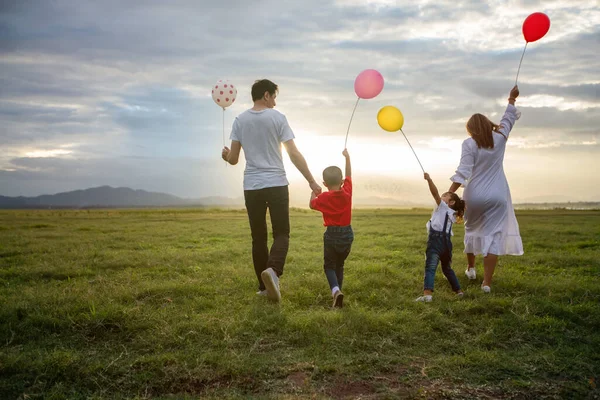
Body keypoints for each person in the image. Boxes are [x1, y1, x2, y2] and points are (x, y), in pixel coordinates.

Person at [221, 79, 322, 303]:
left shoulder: (240, 120)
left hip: (252, 186)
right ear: (266, 95)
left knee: (258, 238)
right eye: (274, 97)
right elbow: (294, 154)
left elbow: (234, 159)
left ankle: (264, 287)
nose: (275, 103)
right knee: (282, 233)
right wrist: (311, 181)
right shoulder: (278, 118)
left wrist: (225, 155)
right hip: (276, 183)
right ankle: (273, 272)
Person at [448, 85, 523, 293]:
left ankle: (471, 268)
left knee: (471, 230)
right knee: (494, 236)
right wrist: (511, 98)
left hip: (474, 195)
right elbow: (508, 119)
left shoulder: (469, 144)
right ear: (487, 124)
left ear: (471, 129)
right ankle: (486, 283)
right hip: (498, 195)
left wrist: (449, 193)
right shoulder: (500, 138)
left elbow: (463, 171)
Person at [309, 149, 353, 308]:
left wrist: (314, 192)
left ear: (325, 183)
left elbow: (311, 205)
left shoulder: (323, 198)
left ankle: (335, 291)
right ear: (342, 181)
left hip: (332, 235)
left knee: (329, 266)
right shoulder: (347, 192)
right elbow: (349, 175)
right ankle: (338, 295)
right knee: (339, 265)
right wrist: (347, 158)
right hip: (347, 233)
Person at [416, 173, 466, 302]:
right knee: (447, 268)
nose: (441, 197)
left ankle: (427, 295)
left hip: (435, 241)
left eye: (445, 196)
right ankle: (459, 291)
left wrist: (429, 180)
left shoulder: (443, 207)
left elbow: (434, 193)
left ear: (451, 202)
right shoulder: (453, 213)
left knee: (430, 267)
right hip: (447, 243)